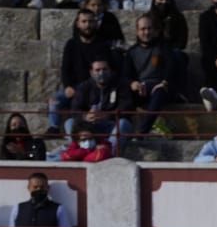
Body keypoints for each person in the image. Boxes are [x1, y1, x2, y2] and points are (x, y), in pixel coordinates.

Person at [49, 9, 111, 137]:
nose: (87, 25)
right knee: (55, 101)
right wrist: (68, 86)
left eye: (90, 21)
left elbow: (103, 69)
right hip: (74, 88)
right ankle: (53, 128)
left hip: (93, 87)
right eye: (84, 21)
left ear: (96, 23)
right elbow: (65, 69)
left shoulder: (102, 45)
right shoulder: (71, 44)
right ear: (78, 23)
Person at [67, 57, 132, 152]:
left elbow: (127, 106)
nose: (101, 73)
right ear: (91, 72)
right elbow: (74, 109)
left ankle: (108, 153)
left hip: (111, 124)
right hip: (90, 127)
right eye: (97, 70)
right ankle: (78, 152)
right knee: (69, 122)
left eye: (104, 69)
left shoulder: (120, 85)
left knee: (123, 124)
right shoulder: (84, 87)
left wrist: (107, 115)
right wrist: (85, 116)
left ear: (110, 70)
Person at [121, 14, 171, 136]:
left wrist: (164, 82)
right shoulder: (132, 52)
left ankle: (142, 132)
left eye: (149, 28)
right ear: (137, 31)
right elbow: (125, 75)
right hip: (140, 87)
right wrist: (133, 83)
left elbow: (171, 69)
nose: (146, 32)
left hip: (158, 86)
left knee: (159, 93)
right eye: (143, 29)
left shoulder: (162, 48)